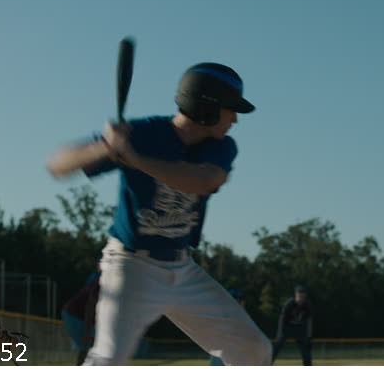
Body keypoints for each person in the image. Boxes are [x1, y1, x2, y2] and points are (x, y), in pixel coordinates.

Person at [47, 62, 271, 366]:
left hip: (183, 270)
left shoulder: (220, 147)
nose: (234, 119)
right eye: (230, 110)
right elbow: (58, 164)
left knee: (253, 349)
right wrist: (106, 147)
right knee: (109, 358)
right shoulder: (143, 134)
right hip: (131, 267)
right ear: (206, 107)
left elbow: (203, 181)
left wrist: (134, 159)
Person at [61, 271, 100, 365]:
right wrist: (87, 332)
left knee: (92, 348)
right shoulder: (102, 281)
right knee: (87, 349)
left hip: (79, 315)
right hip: (76, 316)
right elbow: (90, 307)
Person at [272, 285, 313, 366]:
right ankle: (267, 363)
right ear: (296, 296)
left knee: (306, 349)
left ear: (305, 297)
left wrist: (309, 335)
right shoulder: (289, 303)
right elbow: (282, 319)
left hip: (299, 328)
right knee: (277, 345)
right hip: (287, 327)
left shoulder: (307, 305)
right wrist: (281, 333)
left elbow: (309, 321)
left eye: (303, 297)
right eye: (299, 296)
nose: (301, 299)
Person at [209, 289, 246, 366]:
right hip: (221, 357)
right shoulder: (224, 317)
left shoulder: (242, 319)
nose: (240, 304)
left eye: (240, 301)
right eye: (237, 301)